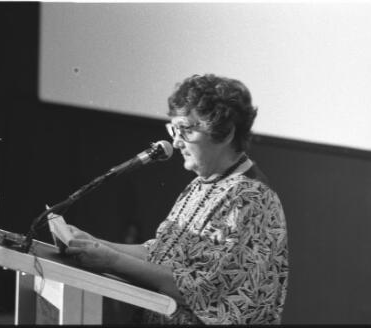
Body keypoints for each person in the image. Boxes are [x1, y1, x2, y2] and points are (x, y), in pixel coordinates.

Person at [58, 74, 289, 324]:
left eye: (186, 130)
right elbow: (160, 254)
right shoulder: (202, 185)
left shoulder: (250, 199)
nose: (176, 142)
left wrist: (112, 261)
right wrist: (94, 244)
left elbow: (203, 290)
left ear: (225, 132)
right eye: (173, 130)